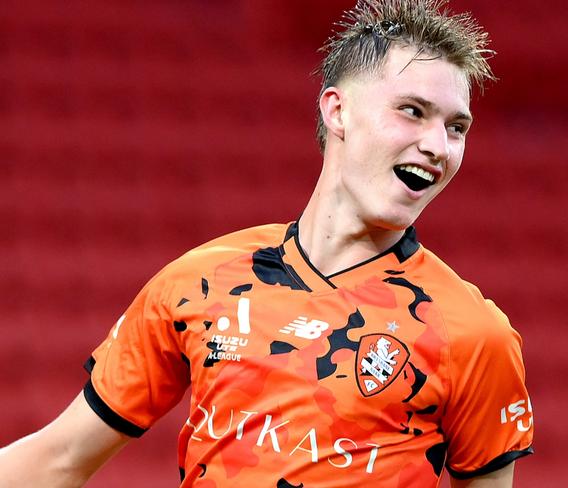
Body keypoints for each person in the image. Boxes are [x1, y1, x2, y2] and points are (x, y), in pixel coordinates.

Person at [0, 0, 534, 486]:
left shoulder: (473, 334)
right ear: (337, 111)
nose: (437, 146)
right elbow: (60, 457)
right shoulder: (200, 281)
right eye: (412, 111)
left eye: (457, 127)